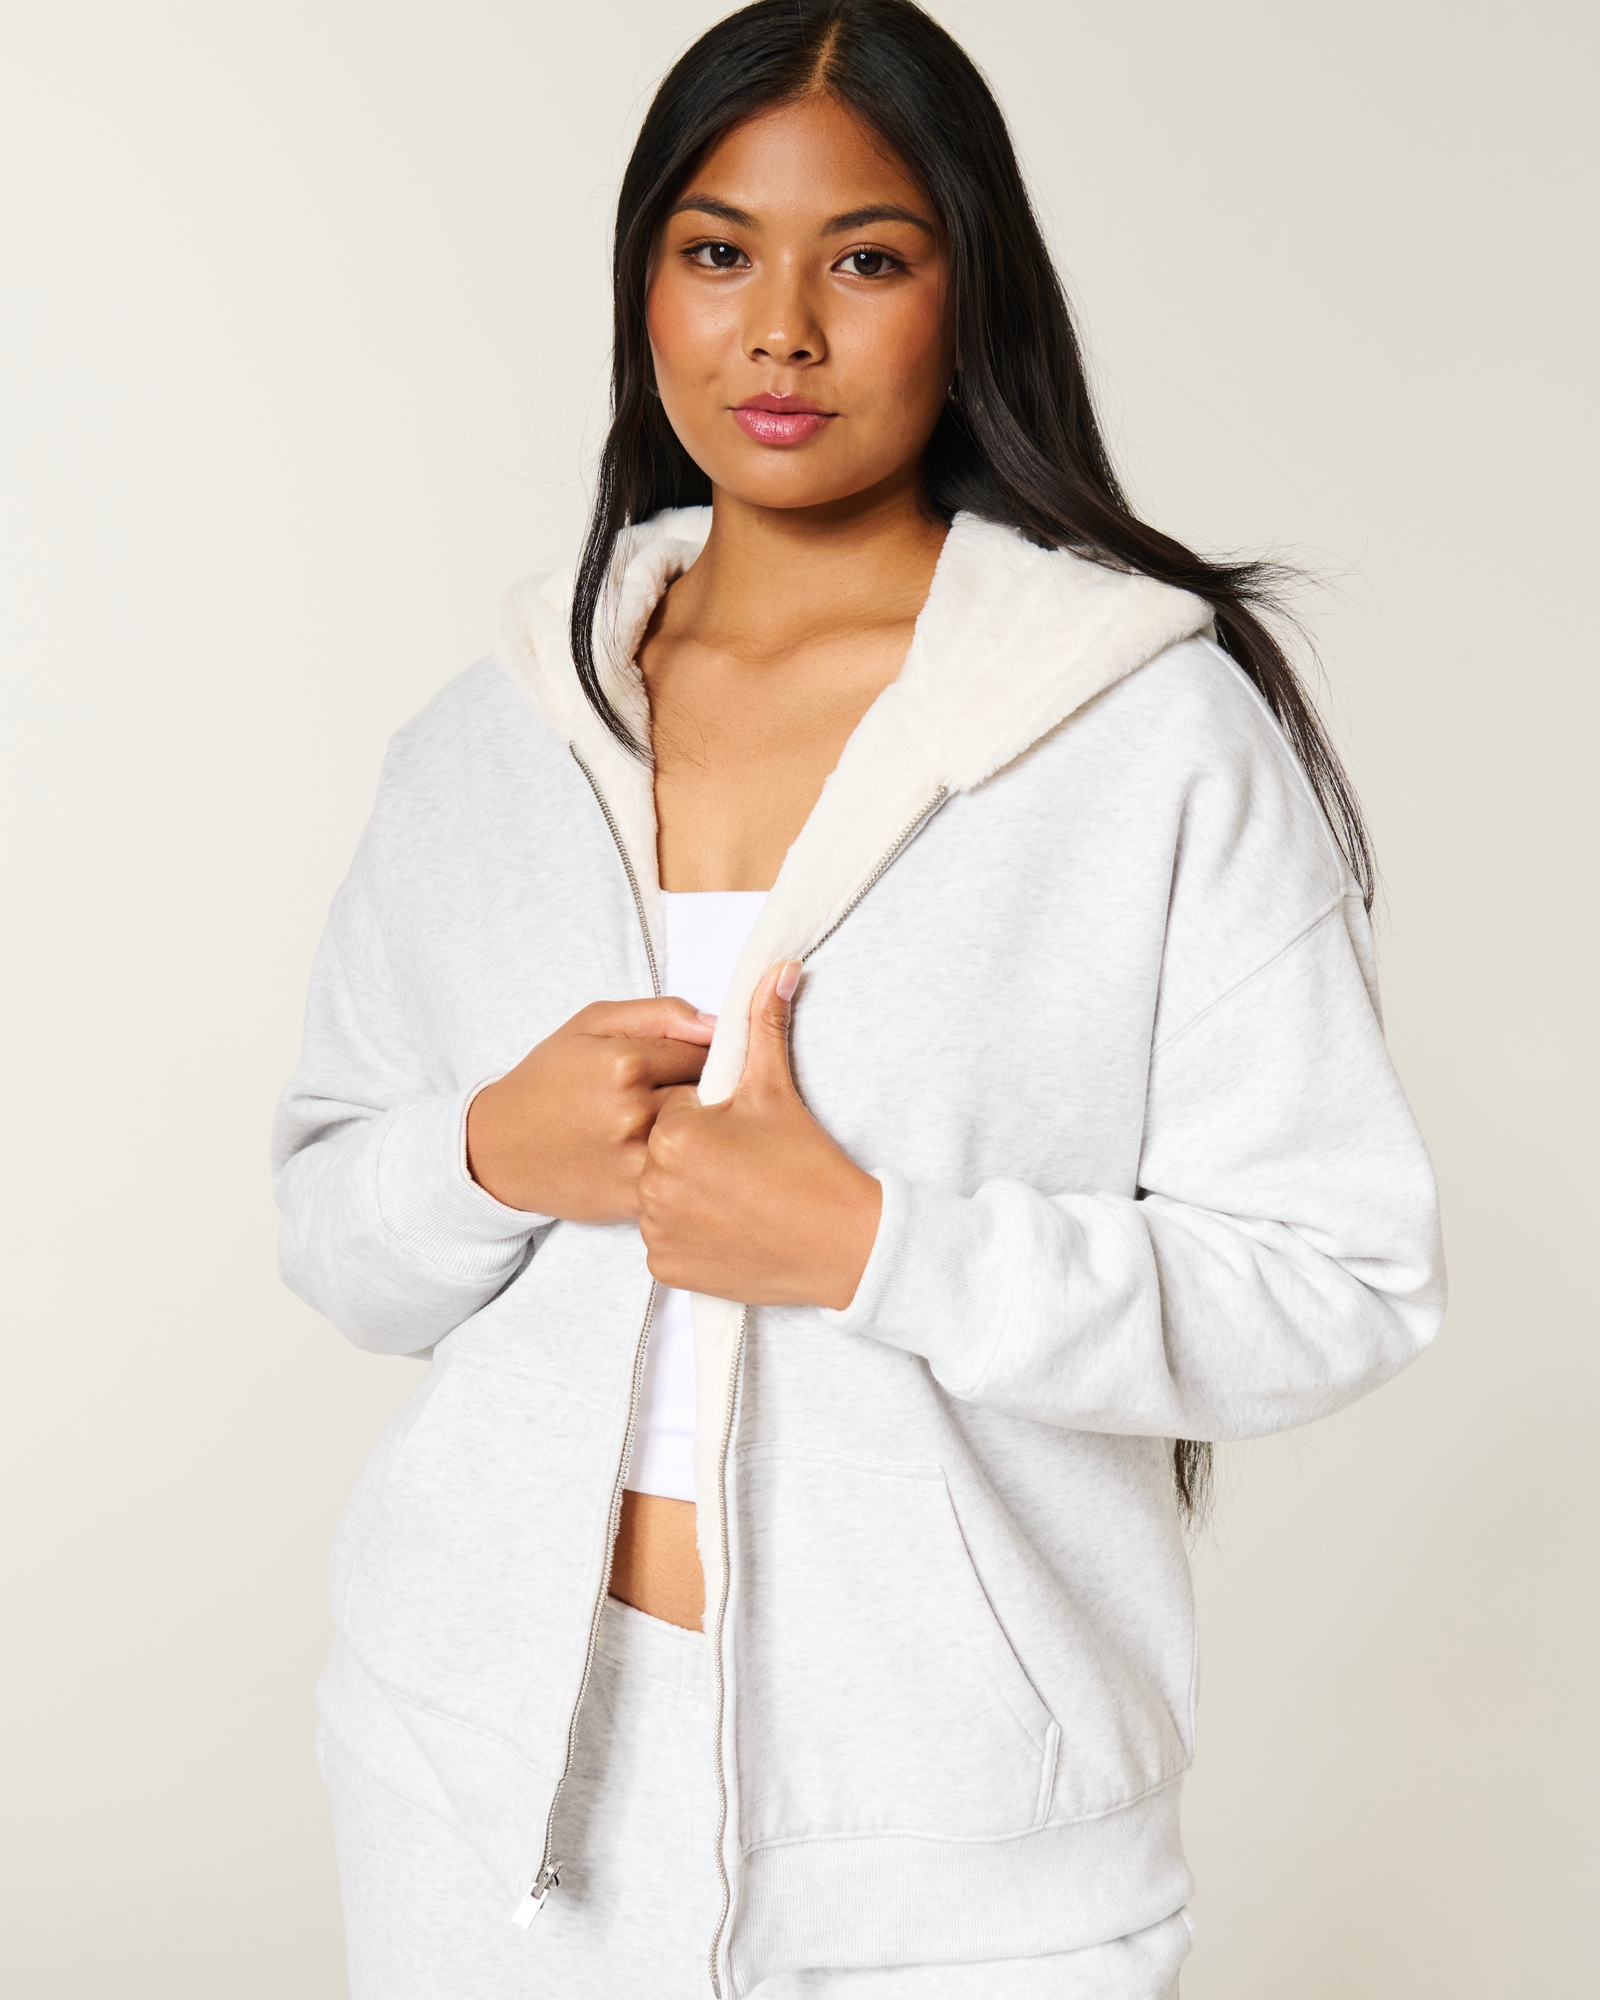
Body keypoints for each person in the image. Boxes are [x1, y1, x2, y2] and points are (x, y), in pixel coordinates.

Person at [273, 2, 1445, 1993]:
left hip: (957, 1851)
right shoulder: (484, 746)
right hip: (473, 1799)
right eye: (717, 251)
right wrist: (484, 1154)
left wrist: (873, 1244)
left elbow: (1339, 1282)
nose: (781, 331)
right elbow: (335, 1233)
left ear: (967, 294)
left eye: (869, 259)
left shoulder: (1142, 738)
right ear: (645, 286)